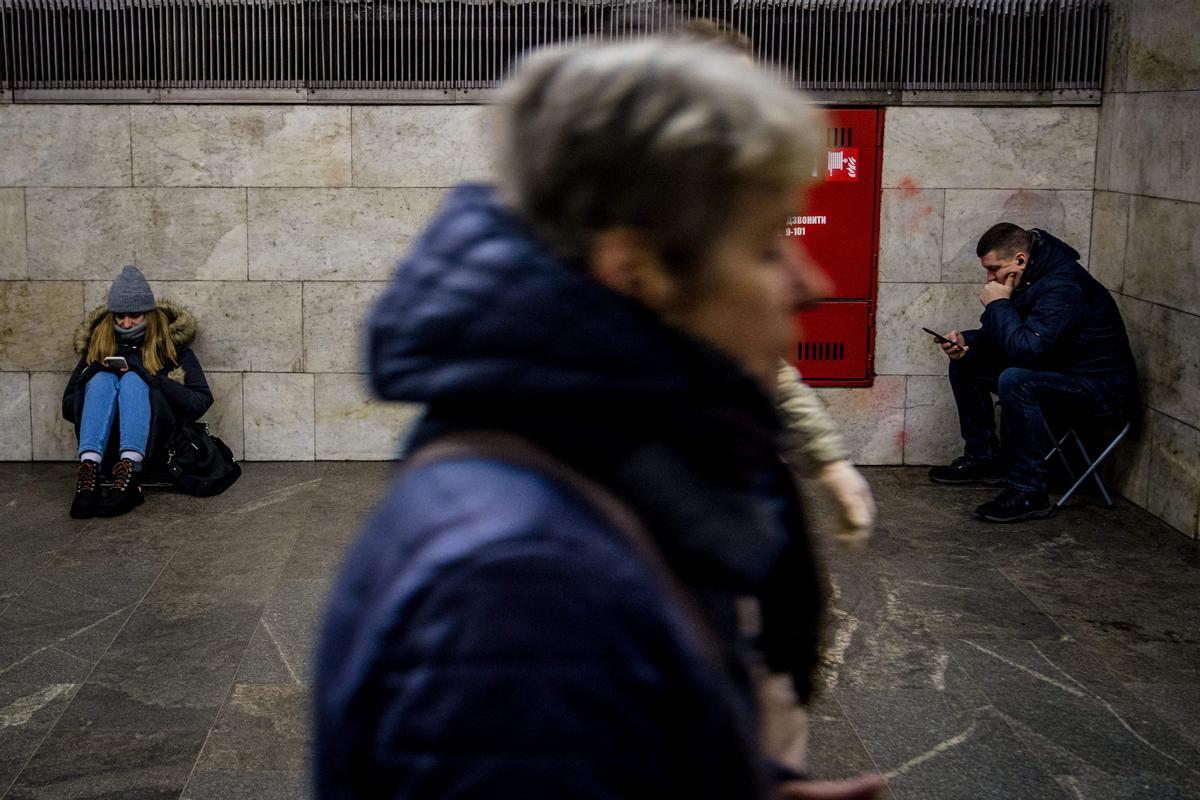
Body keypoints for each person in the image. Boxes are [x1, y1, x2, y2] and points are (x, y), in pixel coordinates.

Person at [315, 38, 882, 800]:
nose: (812, 283)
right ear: (633, 269)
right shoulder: (525, 584)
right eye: (765, 245)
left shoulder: (589, 448)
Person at [928, 223, 1138, 522]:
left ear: (1020, 260)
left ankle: (1029, 490)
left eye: (994, 269)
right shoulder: (1030, 279)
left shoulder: (1064, 287)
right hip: (1058, 372)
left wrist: (999, 303)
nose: (990, 278)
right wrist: (966, 342)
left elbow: (1027, 350)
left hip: (1100, 390)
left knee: (1017, 380)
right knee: (968, 361)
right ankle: (984, 458)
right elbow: (1006, 338)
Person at [62, 265, 213, 518]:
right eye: (119, 316)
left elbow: (201, 401)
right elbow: (68, 408)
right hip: (105, 447)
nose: (126, 322)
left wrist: (151, 378)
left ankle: (129, 477)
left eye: (134, 316)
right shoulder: (98, 345)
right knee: (100, 381)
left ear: (148, 314)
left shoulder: (172, 349)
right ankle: (89, 474)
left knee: (133, 379)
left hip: (155, 445)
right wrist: (91, 374)